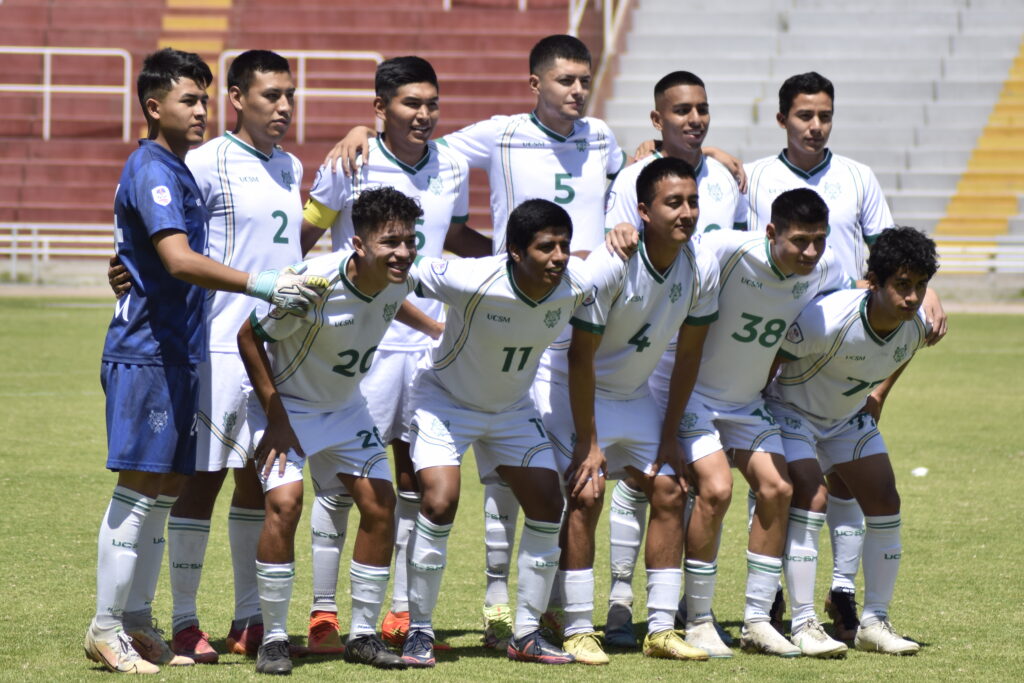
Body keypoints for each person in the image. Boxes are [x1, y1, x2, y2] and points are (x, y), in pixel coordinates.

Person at [86, 47, 325, 675]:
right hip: (159, 349)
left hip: (187, 347)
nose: (201, 109)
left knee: (162, 489)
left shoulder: (192, 166)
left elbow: (161, 251)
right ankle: (109, 626)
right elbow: (177, 257)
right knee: (151, 488)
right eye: (190, 99)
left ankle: (137, 622)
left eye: (203, 98)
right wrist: (258, 284)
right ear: (153, 105)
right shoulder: (172, 165)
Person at [740, 72, 947, 639]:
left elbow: (892, 248)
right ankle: (776, 607)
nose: (816, 125)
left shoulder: (858, 177)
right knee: (792, 488)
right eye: (805, 115)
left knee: (864, 488)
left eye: (825, 116)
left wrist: (921, 294)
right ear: (782, 117)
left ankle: (854, 607)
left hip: (853, 341)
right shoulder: (751, 177)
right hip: (785, 351)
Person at [300, 55, 490, 653]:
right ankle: (324, 612)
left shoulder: (453, 165)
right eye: (410, 103)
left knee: (411, 478)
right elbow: (302, 238)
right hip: (364, 347)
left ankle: (401, 613)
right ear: (380, 109)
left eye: (432, 103)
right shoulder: (348, 160)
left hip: (430, 343)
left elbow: (453, 237)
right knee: (340, 480)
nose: (424, 114)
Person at [398, 199, 610, 668]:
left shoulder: (577, 288)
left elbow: (583, 359)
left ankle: (526, 633)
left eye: (564, 246)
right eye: (545, 247)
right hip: (446, 400)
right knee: (438, 500)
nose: (558, 257)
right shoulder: (471, 278)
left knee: (547, 503)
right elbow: (394, 271)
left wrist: (587, 439)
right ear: (514, 250)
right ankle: (419, 631)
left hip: (512, 408)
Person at [644, 188, 848, 659]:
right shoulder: (725, 250)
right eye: (800, 241)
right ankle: (696, 619)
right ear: (771, 232)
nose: (811, 252)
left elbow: (856, 291)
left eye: (819, 239)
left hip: (746, 402)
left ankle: (756, 621)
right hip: (693, 394)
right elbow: (666, 251)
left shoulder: (827, 266)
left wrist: (931, 293)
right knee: (716, 490)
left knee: (778, 489)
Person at [237, 186, 425, 674]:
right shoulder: (312, 284)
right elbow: (248, 335)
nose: (403, 252)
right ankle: (274, 640)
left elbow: (388, 301)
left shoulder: (400, 276)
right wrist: (276, 418)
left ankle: (362, 636)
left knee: (380, 506)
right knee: (285, 503)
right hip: (285, 408)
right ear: (359, 245)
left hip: (344, 408)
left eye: (409, 240)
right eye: (390, 242)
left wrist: (436, 329)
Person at [538, 157, 718, 665]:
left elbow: (688, 356)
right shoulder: (612, 262)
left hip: (634, 396)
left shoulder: (700, 266)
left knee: (670, 486)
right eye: (673, 202)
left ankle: (660, 628)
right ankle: (576, 627)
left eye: (692, 201)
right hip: (573, 391)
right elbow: (579, 356)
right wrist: (589, 442)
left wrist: (668, 435)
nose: (687, 212)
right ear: (643, 210)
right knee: (586, 492)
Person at [600, 70, 742, 647]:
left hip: (698, 348)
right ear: (657, 119)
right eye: (681, 110)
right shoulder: (635, 173)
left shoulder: (730, 178)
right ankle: (616, 599)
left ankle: (685, 611)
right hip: (641, 352)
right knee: (638, 481)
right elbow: (617, 235)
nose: (694, 118)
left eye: (702, 109)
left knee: (679, 482)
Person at [767, 225, 938, 656]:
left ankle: (873, 623)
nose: (913, 297)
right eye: (902, 285)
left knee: (885, 498)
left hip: (845, 420)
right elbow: (771, 359)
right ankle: (804, 622)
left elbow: (902, 352)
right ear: (874, 282)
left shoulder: (914, 327)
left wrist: (877, 394)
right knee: (812, 495)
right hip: (792, 413)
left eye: (920, 286)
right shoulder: (826, 320)